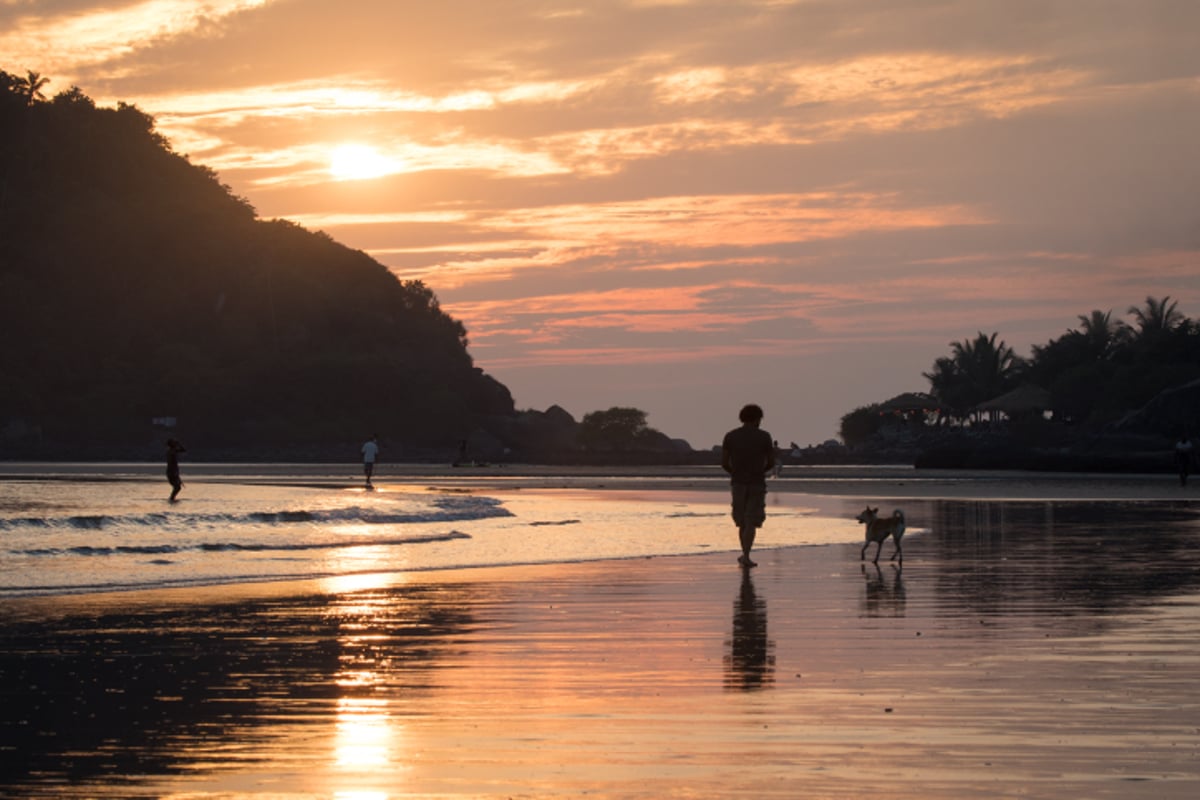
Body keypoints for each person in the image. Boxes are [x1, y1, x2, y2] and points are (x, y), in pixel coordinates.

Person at [721, 404, 776, 568]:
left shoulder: (730, 436)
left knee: (742, 521)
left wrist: (734, 473)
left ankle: (745, 554)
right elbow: (771, 462)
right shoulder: (764, 436)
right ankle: (746, 555)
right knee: (751, 520)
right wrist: (760, 471)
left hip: (738, 482)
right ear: (758, 419)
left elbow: (724, 462)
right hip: (756, 482)